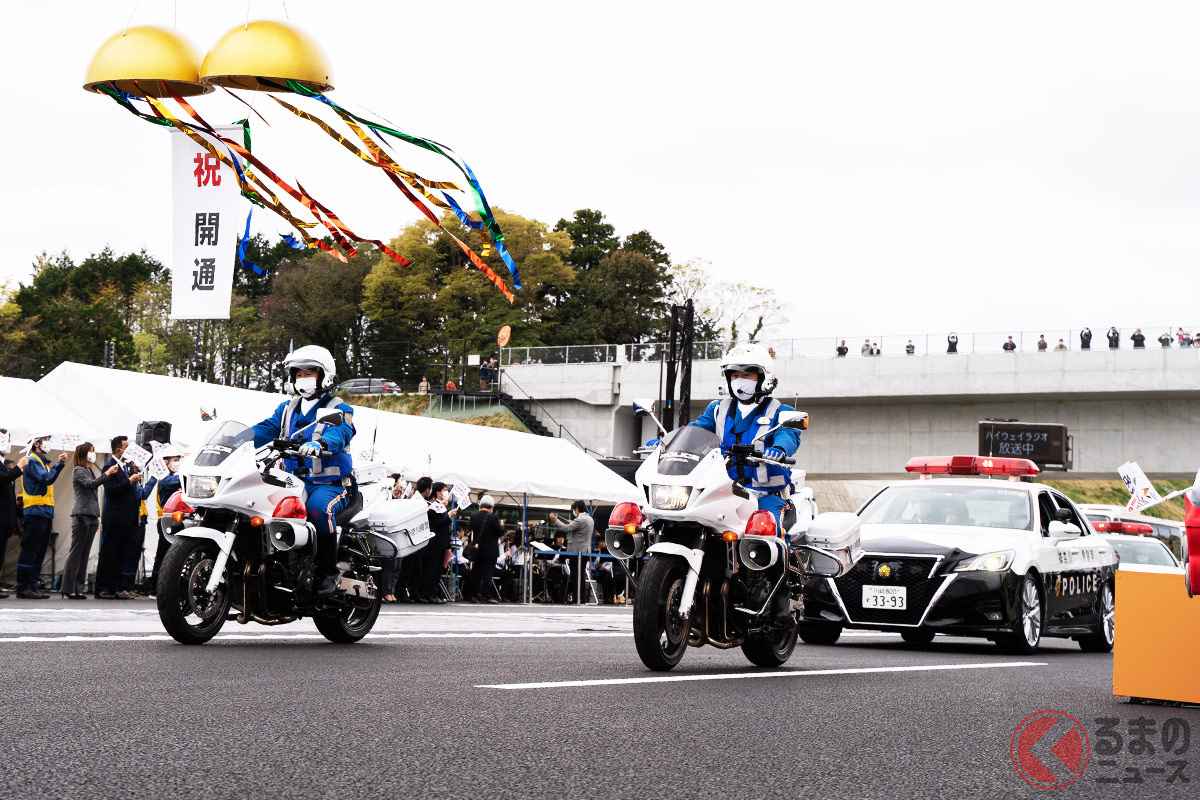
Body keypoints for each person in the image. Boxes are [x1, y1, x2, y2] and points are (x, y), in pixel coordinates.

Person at [252, 345, 357, 598]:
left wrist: (320, 444)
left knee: (318, 512)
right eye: (298, 374)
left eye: (309, 373)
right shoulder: (287, 408)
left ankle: (327, 573)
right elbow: (266, 428)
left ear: (324, 375)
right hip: (290, 483)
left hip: (330, 485)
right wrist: (239, 438)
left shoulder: (338, 407)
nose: (303, 379)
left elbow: (341, 431)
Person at [64, 442, 118, 599]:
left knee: (84, 553)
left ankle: (79, 587)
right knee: (76, 552)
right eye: (90, 451)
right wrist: (107, 474)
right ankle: (69, 588)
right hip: (81, 514)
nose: (92, 454)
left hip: (92, 514)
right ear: (83, 453)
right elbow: (90, 485)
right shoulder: (78, 470)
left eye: (93, 451)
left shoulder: (89, 469)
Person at [17, 433, 67, 599]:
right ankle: (24, 587)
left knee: (39, 551)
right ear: (36, 444)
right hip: (35, 511)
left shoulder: (42, 463)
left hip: (44, 512)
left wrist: (57, 465)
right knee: (31, 550)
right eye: (45, 440)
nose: (48, 443)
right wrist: (59, 464)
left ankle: (31, 586)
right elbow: (46, 479)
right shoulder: (32, 460)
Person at [96, 435, 145, 600]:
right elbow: (111, 490)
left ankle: (114, 587)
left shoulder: (128, 467)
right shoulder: (109, 466)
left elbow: (133, 493)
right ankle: (101, 587)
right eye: (127, 446)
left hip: (128, 518)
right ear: (119, 450)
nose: (130, 449)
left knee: (121, 554)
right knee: (109, 553)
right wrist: (129, 481)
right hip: (115, 518)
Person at [149, 444, 184, 592]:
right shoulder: (164, 478)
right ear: (165, 462)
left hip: (178, 520)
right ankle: (154, 587)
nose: (177, 462)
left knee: (174, 554)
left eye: (178, 459)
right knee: (163, 554)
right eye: (175, 459)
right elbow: (176, 482)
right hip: (166, 520)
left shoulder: (174, 477)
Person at [549, 500, 594, 605]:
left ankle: (578, 598)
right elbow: (578, 530)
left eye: (574, 509)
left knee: (576, 576)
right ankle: (582, 598)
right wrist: (573, 523)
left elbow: (565, 528)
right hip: (585, 551)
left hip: (577, 552)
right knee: (581, 575)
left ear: (577, 509)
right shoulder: (589, 519)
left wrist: (556, 520)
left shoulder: (580, 520)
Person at [416, 481, 455, 603]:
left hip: (441, 543)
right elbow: (436, 523)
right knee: (431, 570)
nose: (445, 492)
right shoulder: (432, 507)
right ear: (438, 493)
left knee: (438, 570)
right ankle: (428, 593)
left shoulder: (441, 506)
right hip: (434, 543)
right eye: (444, 490)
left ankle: (433, 593)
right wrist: (448, 516)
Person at [464, 495, 503, 603]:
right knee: (488, 574)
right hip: (490, 550)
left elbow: (472, 529)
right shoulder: (494, 518)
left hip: (477, 550)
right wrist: (501, 525)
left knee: (476, 573)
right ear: (491, 507)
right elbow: (500, 532)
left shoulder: (473, 516)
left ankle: (473, 595)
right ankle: (486, 595)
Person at [0, 433, 25, 596]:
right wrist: (18, 468)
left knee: (1, 553)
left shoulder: (3, 464)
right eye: (5, 440)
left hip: (5, 517)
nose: (8, 444)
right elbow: (2, 479)